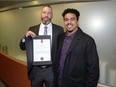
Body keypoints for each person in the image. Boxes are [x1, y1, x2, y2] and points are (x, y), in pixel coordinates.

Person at [53, 8, 99, 87]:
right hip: (59, 83)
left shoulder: (88, 41)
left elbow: (93, 70)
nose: (69, 22)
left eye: (72, 19)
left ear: (77, 21)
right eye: (66, 20)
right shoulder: (60, 38)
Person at [19, 5, 64, 87]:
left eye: (49, 13)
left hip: (51, 70)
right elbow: (22, 47)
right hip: (36, 70)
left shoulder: (59, 30)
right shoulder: (32, 29)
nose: (46, 15)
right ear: (41, 14)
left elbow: (62, 50)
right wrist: (25, 37)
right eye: (44, 12)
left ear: (52, 15)